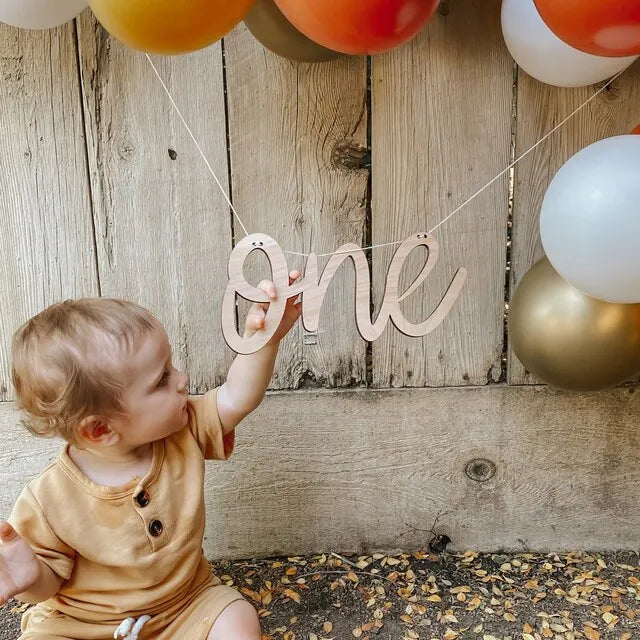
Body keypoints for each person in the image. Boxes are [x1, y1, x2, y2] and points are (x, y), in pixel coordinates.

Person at [0, 273, 300, 640]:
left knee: (237, 619)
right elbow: (46, 587)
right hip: (83, 625)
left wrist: (264, 338)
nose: (182, 380)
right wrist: (28, 578)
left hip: (184, 605)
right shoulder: (48, 499)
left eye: (171, 366)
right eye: (161, 379)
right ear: (100, 430)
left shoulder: (184, 429)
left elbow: (236, 396)